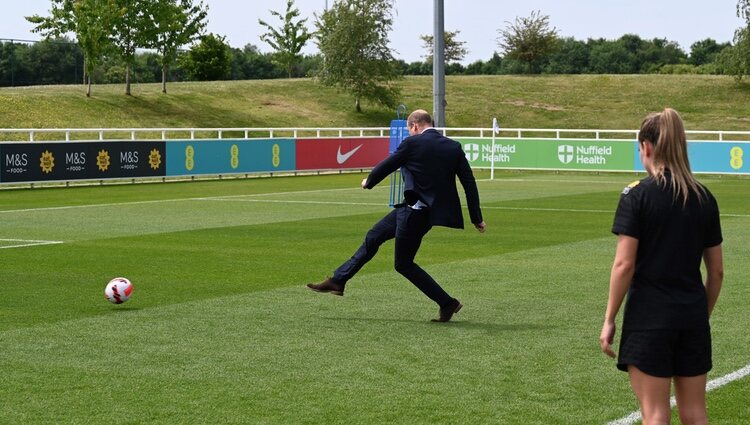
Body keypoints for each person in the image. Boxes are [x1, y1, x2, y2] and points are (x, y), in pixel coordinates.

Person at [599, 108, 724, 425]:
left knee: (655, 414)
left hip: (650, 318)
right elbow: (717, 272)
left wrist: (610, 318)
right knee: (696, 414)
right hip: (692, 317)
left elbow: (624, 264)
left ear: (647, 148)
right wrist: (699, 314)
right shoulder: (704, 197)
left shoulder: (637, 195)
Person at [307, 109, 486, 322]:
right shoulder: (453, 147)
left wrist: (369, 182)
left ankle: (447, 303)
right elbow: (469, 183)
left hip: (415, 214)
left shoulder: (412, 143)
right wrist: (476, 217)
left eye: (410, 130)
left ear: (415, 126)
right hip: (418, 211)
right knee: (374, 236)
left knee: (403, 264)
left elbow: (388, 164)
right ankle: (338, 280)